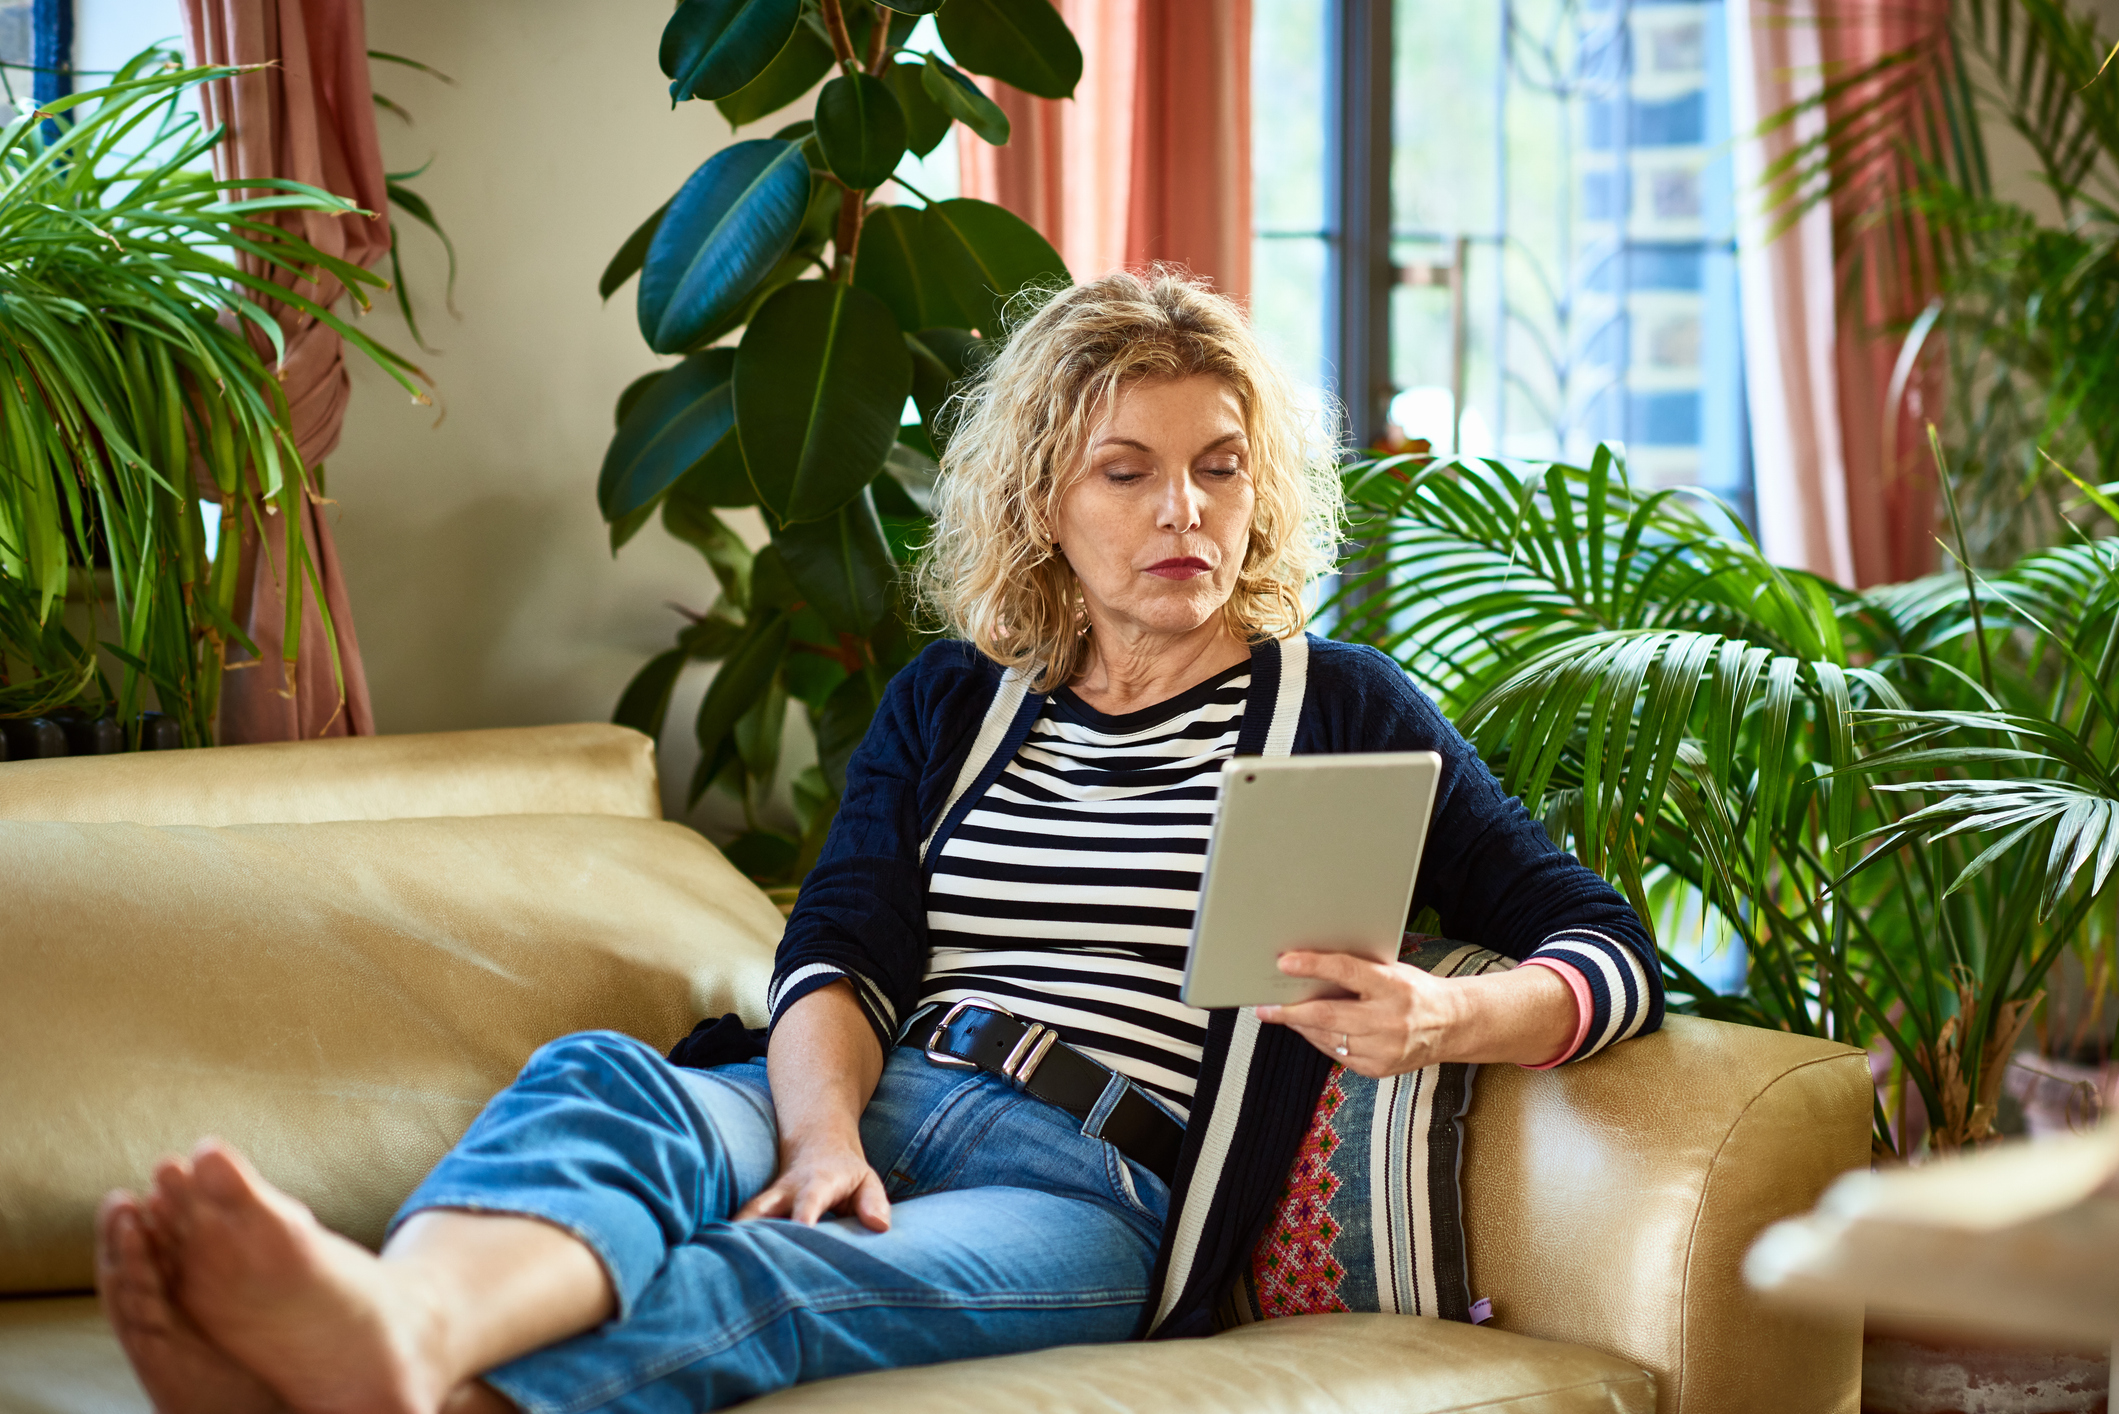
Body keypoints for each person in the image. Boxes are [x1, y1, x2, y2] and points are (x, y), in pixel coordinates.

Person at [96, 270, 1661, 1414]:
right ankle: (403, 1331)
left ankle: (389, 1384)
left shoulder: (1348, 709)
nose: (1184, 506)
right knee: (606, 1084)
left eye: (1220, 465)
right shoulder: (953, 705)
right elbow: (836, 948)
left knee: (770, 1279)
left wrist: (1454, 1014)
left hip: (1088, 1182)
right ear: (1046, 498)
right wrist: (821, 1140)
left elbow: (1603, 945)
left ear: (1261, 493)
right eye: (1128, 469)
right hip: (875, 1089)